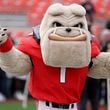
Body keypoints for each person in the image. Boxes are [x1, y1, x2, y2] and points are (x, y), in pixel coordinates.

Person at [0, 3, 110, 110]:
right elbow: (16, 66)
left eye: (77, 25)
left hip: (73, 106)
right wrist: (4, 45)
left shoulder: (87, 47)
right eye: (58, 24)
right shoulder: (35, 45)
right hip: (46, 106)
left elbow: (102, 66)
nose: (68, 30)